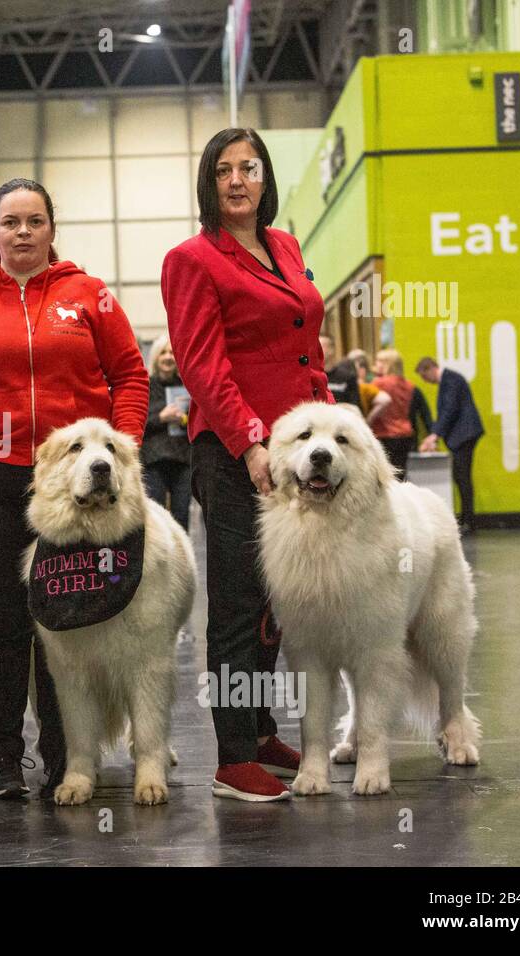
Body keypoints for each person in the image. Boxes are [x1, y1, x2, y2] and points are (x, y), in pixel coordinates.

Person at [0, 177, 148, 799]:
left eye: (35, 221)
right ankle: (0, 757)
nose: (23, 232)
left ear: (52, 228)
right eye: (11, 222)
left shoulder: (91, 297)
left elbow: (129, 373)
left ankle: (63, 754)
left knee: (64, 616)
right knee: (1, 618)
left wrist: (122, 447)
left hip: (68, 484)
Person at [161, 128, 332, 802]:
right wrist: (251, 442)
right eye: (224, 170)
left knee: (276, 601)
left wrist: (329, 428)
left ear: (265, 178)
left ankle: (262, 731)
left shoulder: (285, 245)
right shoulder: (192, 259)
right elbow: (203, 365)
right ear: (209, 182)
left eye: (249, 168)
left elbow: (306, 351)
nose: (237, 180)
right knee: (236, 602)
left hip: (299, 451)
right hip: (235, 453)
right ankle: (234, 757)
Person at [416, 356, 484, 535]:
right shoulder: (449, 380)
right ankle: (467, 518)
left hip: (465, 435)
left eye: (424, 377)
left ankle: (469, 521)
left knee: (463, 478)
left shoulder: (450, 379)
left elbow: (449, 410)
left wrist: (434, 436)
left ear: (430, 369)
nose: (426, 382)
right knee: (461, 478)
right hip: (463, 435)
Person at [142, 334, 193, 530]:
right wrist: (161, 417)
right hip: (154, 460)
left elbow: (195, 422)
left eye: (172, 353)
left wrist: (184, 419)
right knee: (156, 516)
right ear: (155, 357)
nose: (168, 357)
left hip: (183, 460)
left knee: (182, 515)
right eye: (163, 352)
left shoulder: (186, 386)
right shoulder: (145, 386)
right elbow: (137, 423)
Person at [369, 349, 415, 479]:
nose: (376, 364)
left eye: (378, 361)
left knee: (385, 476)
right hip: (405, 433)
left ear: (386, 364)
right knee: (400, 474)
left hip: (385, 434)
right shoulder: (409, 385)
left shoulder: (379, 383)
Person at [320, 334, 360, 408]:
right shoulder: (311, 377)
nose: (316, 349)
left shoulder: (348, 377)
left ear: (331, 350)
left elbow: (355, 405)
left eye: (321, 346)